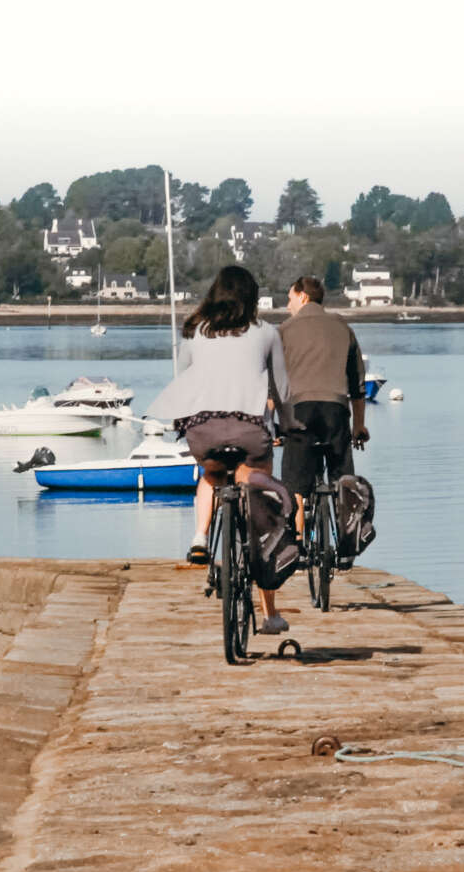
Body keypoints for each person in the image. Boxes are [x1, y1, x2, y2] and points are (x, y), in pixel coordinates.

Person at [144, 265, 295, 633]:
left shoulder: (196, 331)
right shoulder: (267, 332)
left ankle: (199, 537)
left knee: (211, 474)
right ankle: (270, 615)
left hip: (204, 430)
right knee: (259, 495)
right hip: (249, 430)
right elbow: (283, 390)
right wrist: (288, 426)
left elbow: (182, 382)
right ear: (252, 296)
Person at [276, 276, 367, 525]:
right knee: (342, 478)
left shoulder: (284, 330)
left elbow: (274, 385)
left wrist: (270, 425)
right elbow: (358, 384)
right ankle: (348, 536)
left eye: (290, 299)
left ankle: (296, 543)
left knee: (294, 485)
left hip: (300, 411)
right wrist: (359, 426)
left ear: (303, 297)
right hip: (335, 411)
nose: (287, 306)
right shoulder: (343, 327)